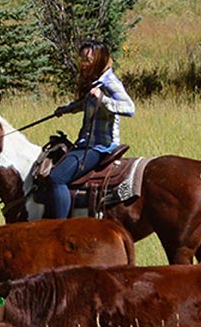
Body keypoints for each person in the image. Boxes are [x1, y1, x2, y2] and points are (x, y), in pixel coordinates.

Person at [44, 40, 135, 218]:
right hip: (86, 144)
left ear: (99, 60)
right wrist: (68, 109)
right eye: (82, 59)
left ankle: (59, 227)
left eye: (88, 59)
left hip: (99, 147)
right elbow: (87, 103)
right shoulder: (96, 82)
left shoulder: (109, 83)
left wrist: (104, 98)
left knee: (57, 178)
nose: (84, 64)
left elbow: (130, 108)